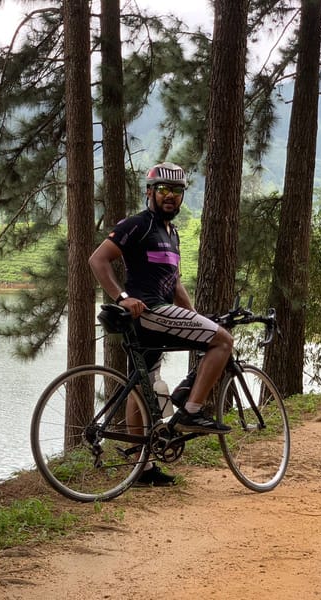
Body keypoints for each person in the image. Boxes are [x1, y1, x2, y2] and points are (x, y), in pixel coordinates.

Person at [88, 161, 233, 486]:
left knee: (142, 387)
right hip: (148, 311)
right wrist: (121, 296)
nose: (171, 197)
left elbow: (175, 283)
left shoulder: (172, 233)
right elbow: (97, 259)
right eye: (164, 190)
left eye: (177, 191)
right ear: (149, 192)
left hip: (158, 312)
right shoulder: (137, 224)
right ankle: (192, 409)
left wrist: (195, 315)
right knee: (223, 341)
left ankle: (142, 468)